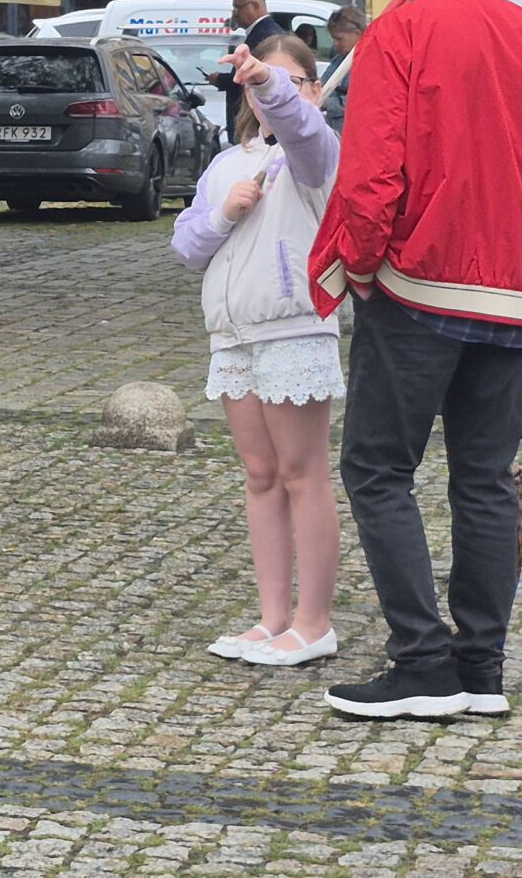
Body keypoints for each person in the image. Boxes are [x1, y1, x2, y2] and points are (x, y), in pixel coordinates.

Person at [309, 0, 522, 720]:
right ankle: (481, 665)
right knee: (485, 477)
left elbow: (372, 172)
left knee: (377, 467)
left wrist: (359, 262)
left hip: (422, 279)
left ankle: (422, 657)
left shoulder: (399, 33)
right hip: (518, 285)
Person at [172, 33, 343, 667]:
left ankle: (313, 622)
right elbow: (187, 245)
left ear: (314, 90)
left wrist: (269, 83)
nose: (271, 93)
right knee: (261, 476)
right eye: (258, 83)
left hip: (292, 329)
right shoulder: (226, 163)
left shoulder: (316, 152)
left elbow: (299, 129)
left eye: (290, 81)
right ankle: (273, 617)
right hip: (234, 336)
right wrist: (225, 213)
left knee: (303, 474)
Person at [209, 0, 289, 135]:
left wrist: (220, 79)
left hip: (255, 123)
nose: (234, 14)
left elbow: (253, 77)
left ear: (255, 6)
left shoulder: (266, 35)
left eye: (237, 8)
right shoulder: (262, 32)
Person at [317, 4, 365, 129]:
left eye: (339, 39)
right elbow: (324, 85)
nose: (335, 44)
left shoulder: (369, 63)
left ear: (357, 34)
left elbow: (358, 100)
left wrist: (327, 103)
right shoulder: (338, 60)